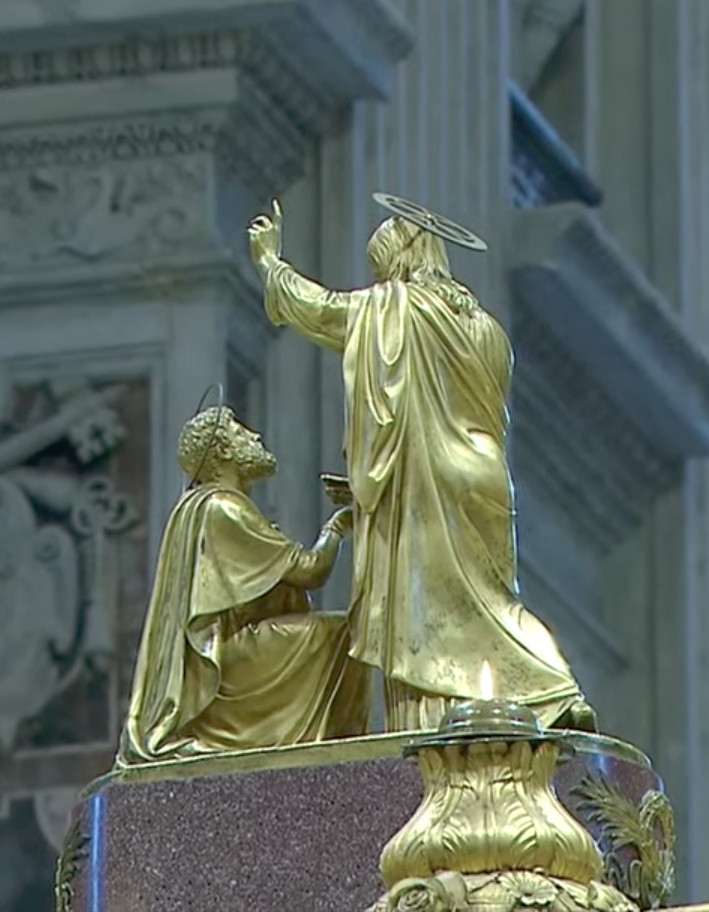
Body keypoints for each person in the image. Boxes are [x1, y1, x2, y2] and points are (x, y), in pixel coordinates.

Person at [247, 197, 595, 733]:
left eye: (382, 266)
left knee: (425, 622)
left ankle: (449, 733)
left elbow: (321, 310)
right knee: (494, 605)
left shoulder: (396, 308)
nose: (380, 280)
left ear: (400, 259)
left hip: (429, 483)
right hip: (485, 477)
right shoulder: (486, 329)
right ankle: (556, 685)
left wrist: (270, 261)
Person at [119, 406, 368, 764]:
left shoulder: (201, 506)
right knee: (347, 633)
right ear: (222, 452)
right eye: (240, 432)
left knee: (334, 632)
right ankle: (339, 754)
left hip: (226, 650)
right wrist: (338, 527)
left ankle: (336, 755)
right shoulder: (223, 508)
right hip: (223, 660)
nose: (255, 437)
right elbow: (310, 572)